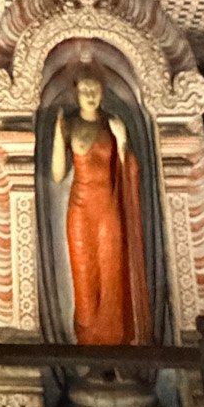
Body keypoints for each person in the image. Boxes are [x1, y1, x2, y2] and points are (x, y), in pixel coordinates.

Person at [49, 65, 150, 345]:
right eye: (85, 90)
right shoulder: (69, 126)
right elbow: (58, 175)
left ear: (103, 93)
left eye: (95, 90)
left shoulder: (112, 124)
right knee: (84, 276)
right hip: (80, 208)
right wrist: (58, 138)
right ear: (76, 94)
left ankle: (114, 343)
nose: (91, 95)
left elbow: (127, 167)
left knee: (111, 273)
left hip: (107, 207)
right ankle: (88, 344)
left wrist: (122, 141)